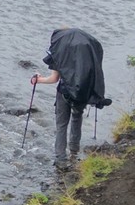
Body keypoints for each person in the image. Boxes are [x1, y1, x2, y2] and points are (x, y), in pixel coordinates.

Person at [32, 27, 112, 170]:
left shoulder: (60, 54)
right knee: (77, 117)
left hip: (64, 93)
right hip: (81, 95)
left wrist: (38, 80)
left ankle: (60, 158)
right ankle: (74, 151)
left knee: (61, 124)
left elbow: (54, 78)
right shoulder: (88, 55)